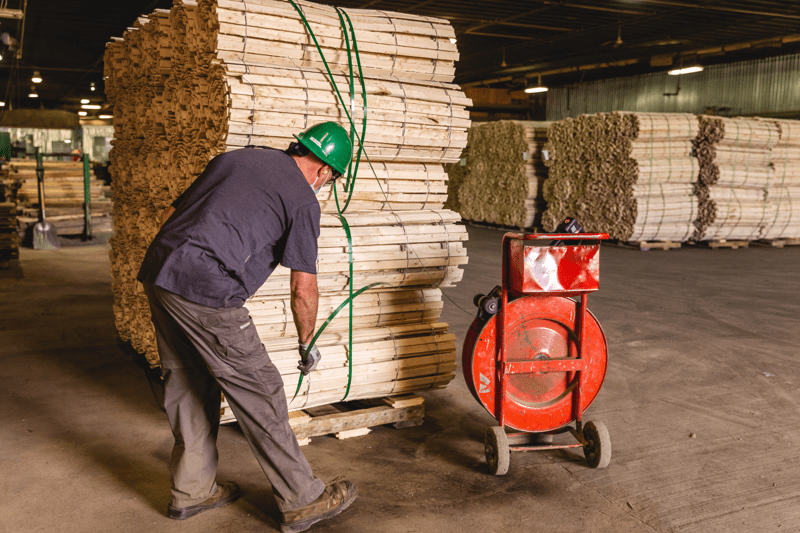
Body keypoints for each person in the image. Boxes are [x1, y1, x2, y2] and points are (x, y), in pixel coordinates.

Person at [137, 122, 357, 533]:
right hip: (208, 289)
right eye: (331, 179)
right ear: (326, 170)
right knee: (261, 390)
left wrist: (181, 267)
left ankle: (192, 492)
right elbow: (303, 287)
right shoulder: (303, 201)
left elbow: (170, 215)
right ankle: (303, 499)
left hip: (160, 272)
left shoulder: (237, 158)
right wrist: (306, 342)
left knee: (187, 381)